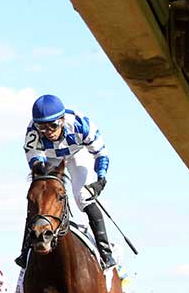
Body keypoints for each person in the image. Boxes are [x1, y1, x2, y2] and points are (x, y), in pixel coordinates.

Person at [15, 94, 115, 269]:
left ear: (62, 120)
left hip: (77, 155)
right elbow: (36, 162)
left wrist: (100, 179)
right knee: (40, 197)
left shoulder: (81, 124)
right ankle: (25, 252)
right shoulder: (32, 132)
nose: (48, 131)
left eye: (52, 125)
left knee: (83, 197)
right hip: (50, 159)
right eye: (42, 127)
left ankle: (105, 252)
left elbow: (101, 153)